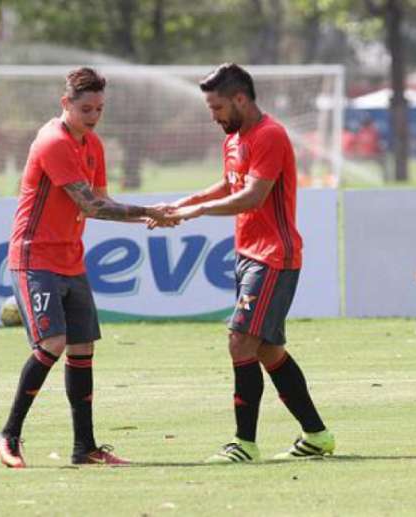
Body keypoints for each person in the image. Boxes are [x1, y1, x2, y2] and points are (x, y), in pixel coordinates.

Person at [148, 63, 334, 463]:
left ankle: (244, 444)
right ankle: (317, 435)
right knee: (267, 350)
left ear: (239, 99)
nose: (213, 116)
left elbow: (252, 196)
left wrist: (191, 215)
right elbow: (229, 184)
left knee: (240, 340)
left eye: (216, 107)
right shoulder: (234, 138)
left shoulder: (270, 135)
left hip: (273, 256)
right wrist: (180, 204)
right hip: (249, 255)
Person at [0, 67, 173, 468]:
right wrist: (149, 211)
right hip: (33, 257)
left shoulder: (93, 145)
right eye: (86, 108)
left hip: (70, 259)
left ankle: (85, 448)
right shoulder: (52, 141)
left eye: (99, 108)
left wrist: (149, 218)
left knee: (82, 349)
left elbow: (103, 203)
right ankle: (8, 434)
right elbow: (90, 205)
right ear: (66, 104)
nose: (93, 116)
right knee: (53, 343)